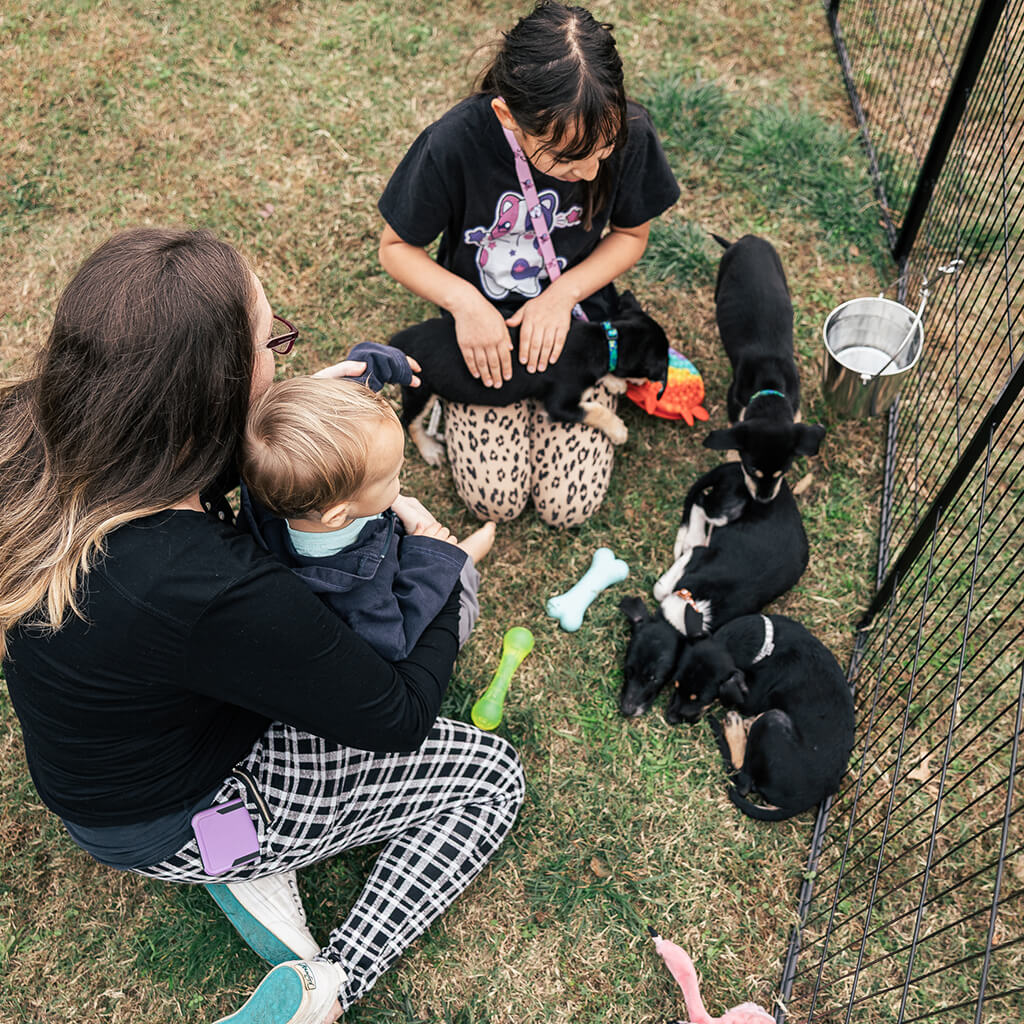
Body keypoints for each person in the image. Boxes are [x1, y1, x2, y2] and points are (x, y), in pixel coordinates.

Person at [0, 228, 525, 1024]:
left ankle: (235, 857)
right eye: (272, 344)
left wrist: (303, 435)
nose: (283, 359)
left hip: (103, 768)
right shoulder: (213, 585)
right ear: (212, 391)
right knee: (491, 776)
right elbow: (396, 715)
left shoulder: (29, 426)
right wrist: (441, 570)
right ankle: (329, 981)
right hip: (169, 812)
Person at [378, 0, 680, 529]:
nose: (589, 171)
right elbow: (396, 248)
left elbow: (631, 235)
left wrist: (562, 295)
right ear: (508, 118)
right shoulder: (454, 143)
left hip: (579, 327)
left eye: (604, 149)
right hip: (477, 337)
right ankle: (459, 402)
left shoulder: (631, 126)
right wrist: (466, 303)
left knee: (569, 506)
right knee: (496, 500)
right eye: (565, 158)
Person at [239, 372, 497, 661]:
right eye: (392, 478)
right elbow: (397, 640)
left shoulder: (275, 492)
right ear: (337, 515)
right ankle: (462, 562)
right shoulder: (360, 594)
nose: (400, 480)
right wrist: (429, 562)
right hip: (415, 592)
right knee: (459, 598)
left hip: (383, 544)